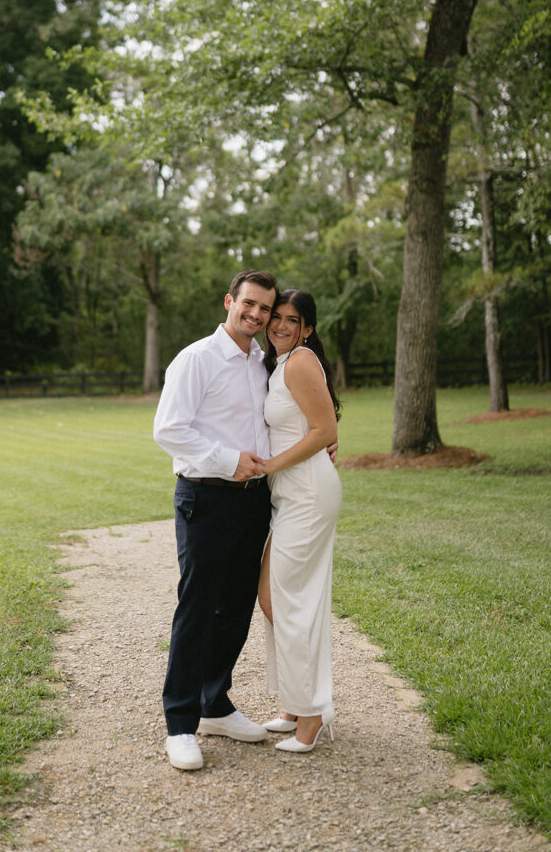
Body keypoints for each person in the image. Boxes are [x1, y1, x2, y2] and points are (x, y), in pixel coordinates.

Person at [153, 269, 278, 771]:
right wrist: (228, 460)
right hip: (205, 497)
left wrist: (322, 439)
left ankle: (214, 702)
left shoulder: (262, 363)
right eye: (248, 304)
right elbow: (168, 429)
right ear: (229, 301)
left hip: (253, 500)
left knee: (237, 605)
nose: (255, 314)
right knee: (199, 606)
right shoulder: (196, 359)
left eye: (264, 309)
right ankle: (180, 724)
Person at [257, 289, 342, 754]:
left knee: (288, 601)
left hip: (307, 494)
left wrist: (271, 465)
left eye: (293, 320)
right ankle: (294, 702)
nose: (281, 325)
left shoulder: (300, 360)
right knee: (273, 596)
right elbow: (319, 423)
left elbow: (324, 430)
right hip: (292, 494)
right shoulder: (280, 364)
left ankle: (310, 715)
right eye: (277, 317)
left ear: (307, 328)